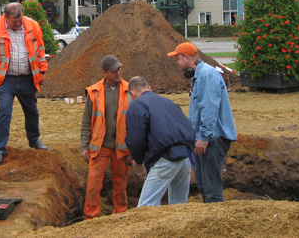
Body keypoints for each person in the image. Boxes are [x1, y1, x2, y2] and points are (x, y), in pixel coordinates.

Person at [0, 3, 48, 166]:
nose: (18, 25)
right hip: (5, 79)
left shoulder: (33, 26)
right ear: (5, 17)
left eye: (20, 21)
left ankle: (34, 139)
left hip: (27, 78)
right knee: (4, 112)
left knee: (32, 111)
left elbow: (40, 50)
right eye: (14, 23)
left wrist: (42, 71)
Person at [167, 42, 237, 203]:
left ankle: (215, 221)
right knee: (203, 184)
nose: (177, 63)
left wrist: (204, 137)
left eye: (178, 59)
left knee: (211, 186)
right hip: (205, 138)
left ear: (187, 57)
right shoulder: (199, 76)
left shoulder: (207, 75)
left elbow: (209, 108)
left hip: (213, 139)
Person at [125, 76, 195, 207]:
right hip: (185, 158)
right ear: (150, 88)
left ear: (132, 94)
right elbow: (187, 127)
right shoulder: (168, 102)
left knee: (146, 206)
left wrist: (138, 159)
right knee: (179, 205)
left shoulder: (137, 104)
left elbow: (136, 138)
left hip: (166, 159)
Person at [80, 55, 131, 219]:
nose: (119, 72)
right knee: (93, 183)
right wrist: (84, 147)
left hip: (122, 147)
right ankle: (91, 215)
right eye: (114, 70)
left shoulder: (130, 90)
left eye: (120, 68)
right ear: (105, 72)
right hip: (100, 146)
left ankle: (120, 213)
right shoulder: (94, 92)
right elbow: (86, 121)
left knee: (121, 182)